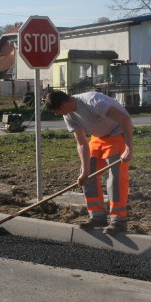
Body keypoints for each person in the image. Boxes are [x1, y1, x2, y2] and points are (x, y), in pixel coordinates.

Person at [44, 90, 134, 234]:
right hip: (98, 138)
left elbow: (124, 119)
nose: (56, 115)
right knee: (87, 177)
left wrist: (129, 148)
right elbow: (81, 144)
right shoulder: (68, 115)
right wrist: (85, 170)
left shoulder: (92, 101)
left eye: (56, 111)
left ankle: (118, 221)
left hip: (117, 133)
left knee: (115, 178)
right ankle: (97, 216)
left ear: (63, 105)